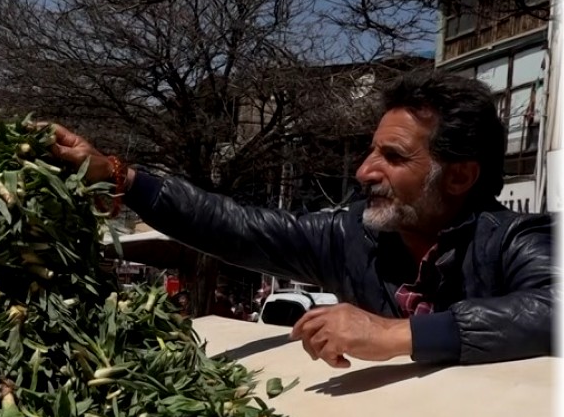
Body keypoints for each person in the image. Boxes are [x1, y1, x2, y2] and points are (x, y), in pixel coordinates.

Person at [50, 70, 553, 368]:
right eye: (369, 151)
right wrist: (123, 177)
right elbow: (236, 226)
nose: (363, 172)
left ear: (460, 176)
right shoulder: (349, 236)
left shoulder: (515, 241)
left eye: (393, 158)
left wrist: (396, 336)